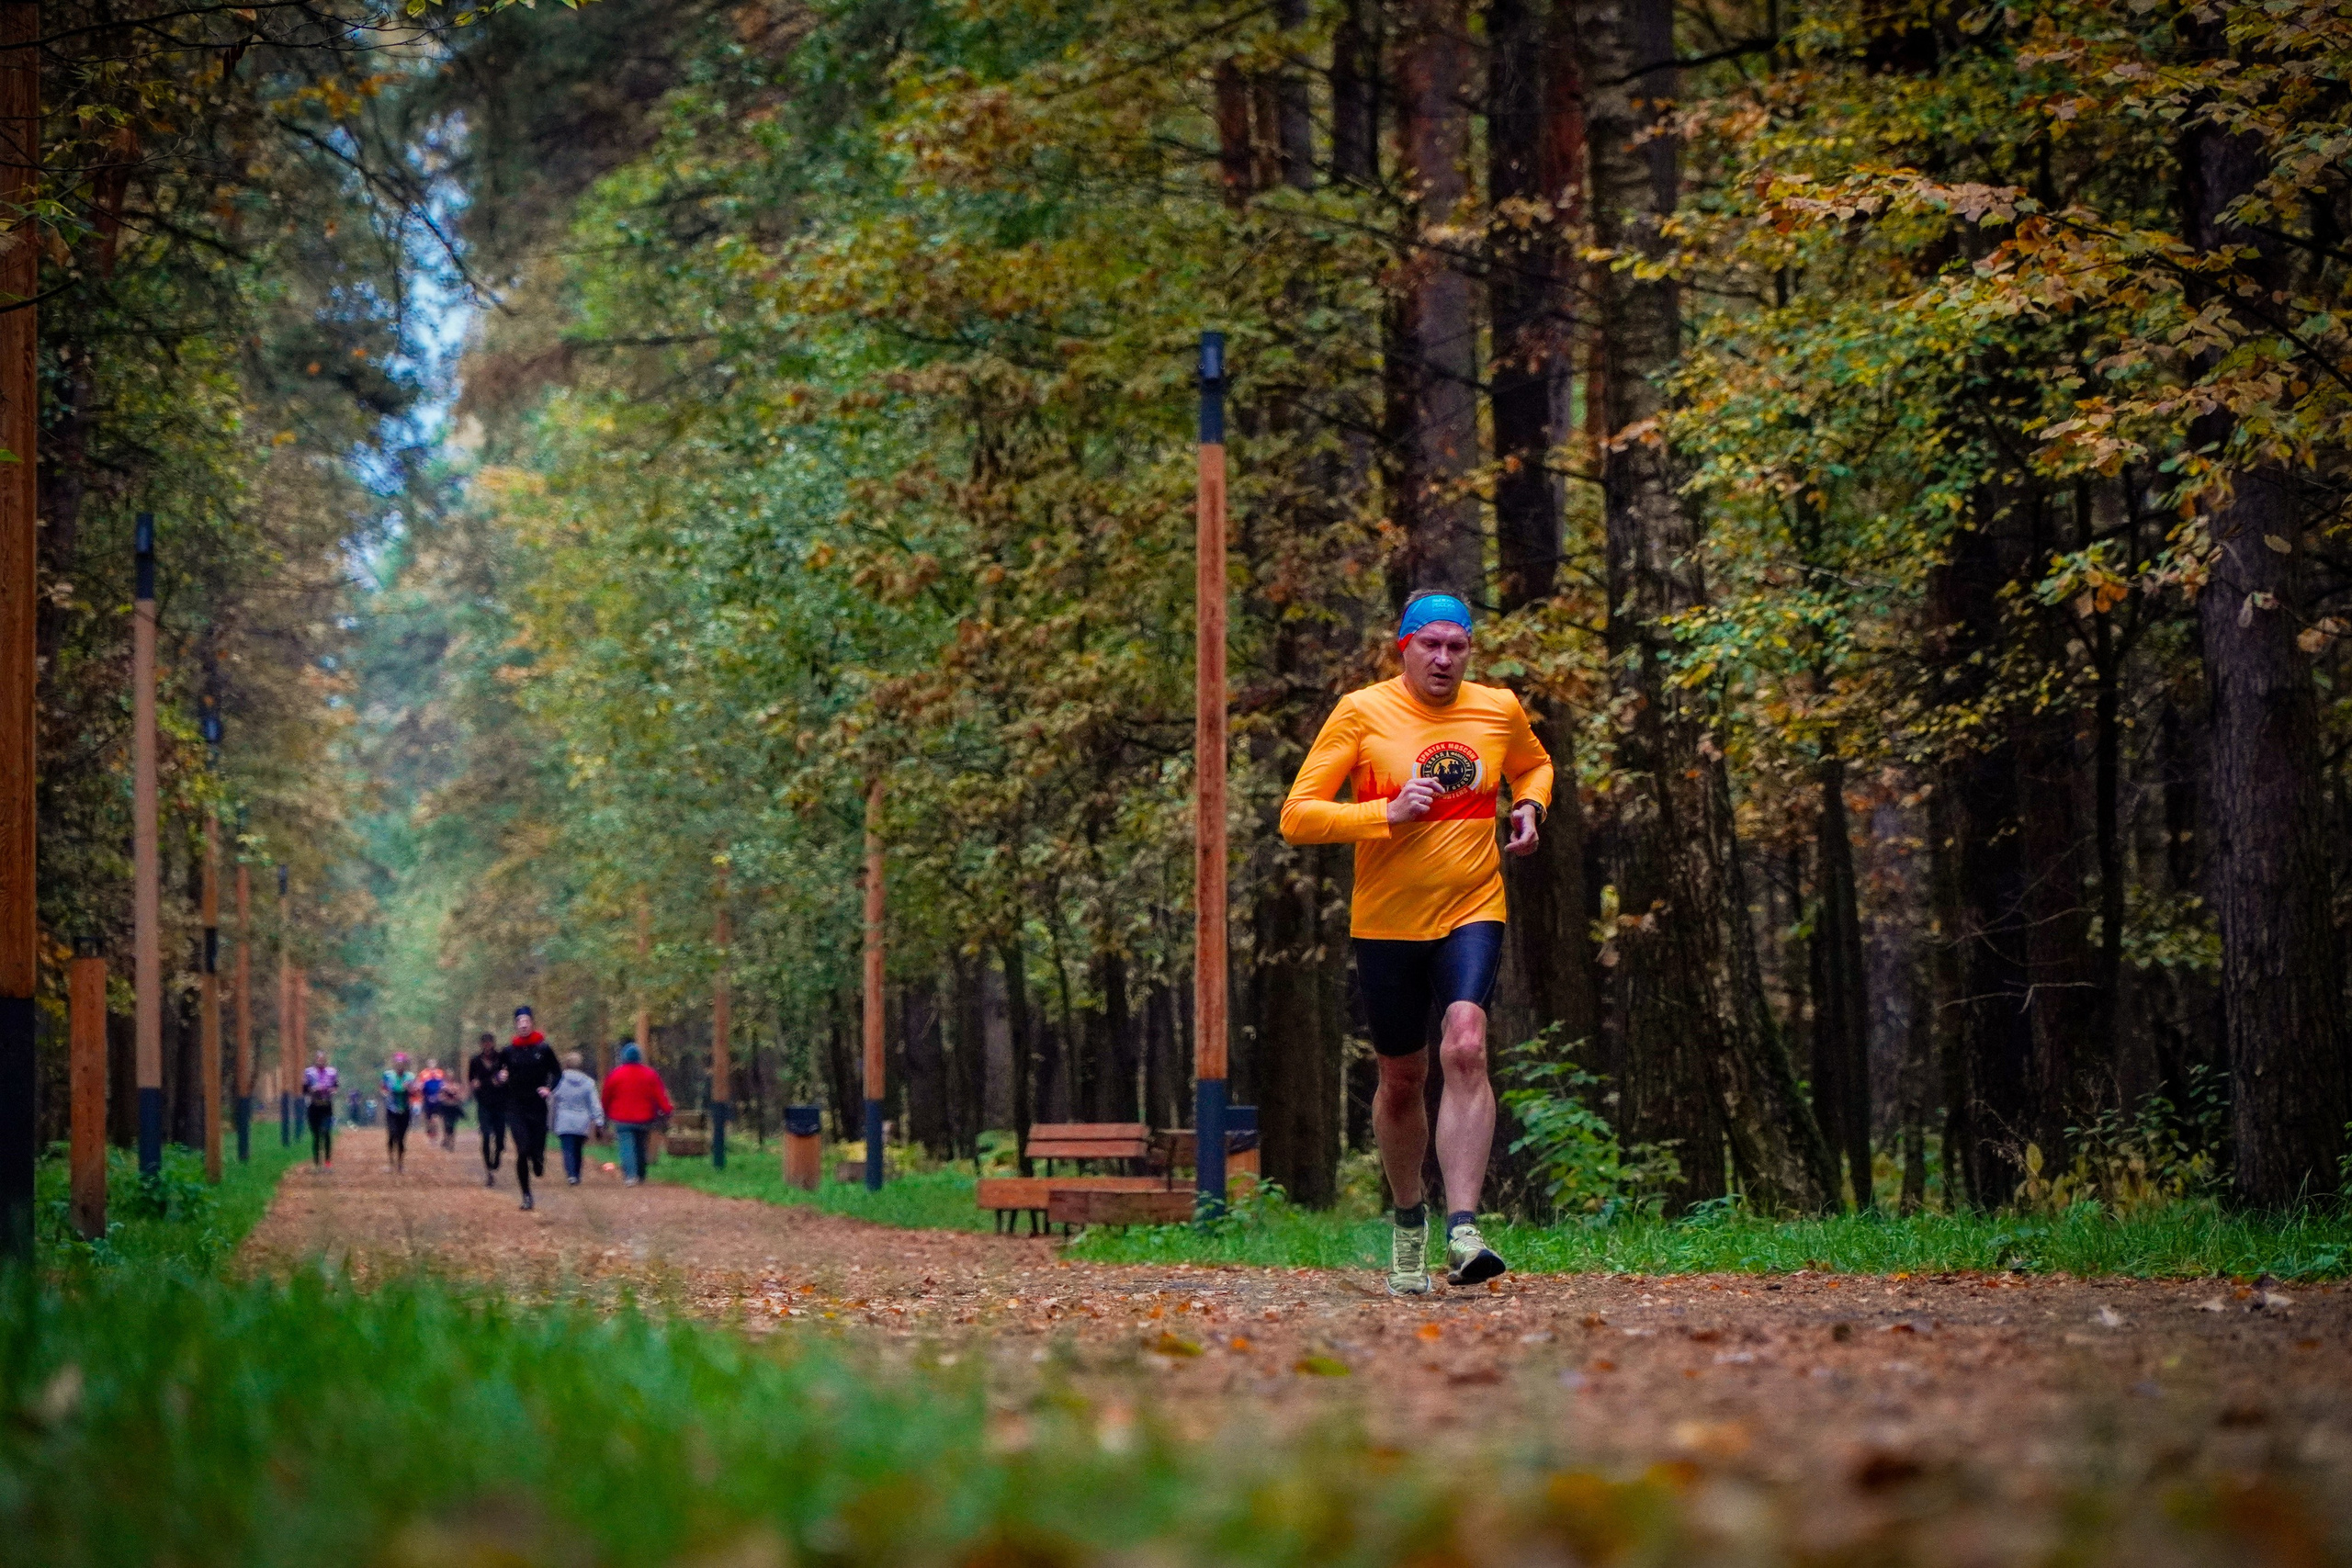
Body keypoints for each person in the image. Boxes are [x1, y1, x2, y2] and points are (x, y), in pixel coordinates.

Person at [1280, 589, 1551, 1295]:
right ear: (1402, 646)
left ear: (1469, 651)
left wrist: (1528, 805)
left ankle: (1465, 1230)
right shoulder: (1361, 712)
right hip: (1387, 920)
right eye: (1429, 644)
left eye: (1456, 646)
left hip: (1472, 904)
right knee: (1402, 1080)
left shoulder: (1498, 707)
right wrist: (1385, 811)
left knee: (1466, 1041)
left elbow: (1533, 762)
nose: (1443, 657)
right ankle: (1409, 1219)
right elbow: (1298, 816)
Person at [499, 1006, 562, 1211]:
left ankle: (539, 1158)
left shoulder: (543, 1049)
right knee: (522, 1150)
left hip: (537, 1105)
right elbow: (498, 1074)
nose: (523, 1024)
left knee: (536, 1149)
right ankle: (526, 1195)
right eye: (519, 1022)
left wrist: (549, 1088)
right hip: (515, 1105)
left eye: (526, 1021)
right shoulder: (508, 1051)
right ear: (516, 1025)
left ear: (532, 1023)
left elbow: (557, 1073)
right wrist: (500, 1077)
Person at [599, 1041, 672, 1186]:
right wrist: (667, 1110)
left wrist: (604, 1111)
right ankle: (641, 1174)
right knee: (640, 1145)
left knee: (626, 1145)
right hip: (645, 1117)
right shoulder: (650, 1074)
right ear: (640, 1057)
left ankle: (630, 1176)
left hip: (621, 1118)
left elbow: (607, 1095)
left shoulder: (616, 1074)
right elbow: (659, 1095)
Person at [550, 1050, 606, 1185]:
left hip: (564, 1120)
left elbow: (552, 1100)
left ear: (566, 1064)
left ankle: (571, 1175)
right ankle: (576, 1173)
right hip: (582, 1120)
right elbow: (594, 1103)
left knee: (567, 1148)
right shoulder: (588, 1083)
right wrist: (599, 1120)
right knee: (578, 1148)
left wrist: (550, 1120)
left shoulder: (559, 1080)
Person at [467, 1032, 507, 1188]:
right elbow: (472, 1079)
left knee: (500, 1136)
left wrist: (500, 1081)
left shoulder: (501, 1058)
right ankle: (489, 1170)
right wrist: (474, 1084)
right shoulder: (475, 1060)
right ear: (481, 1044)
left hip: (500, 1102)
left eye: (490, 1042)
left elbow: (506, 1076)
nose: (487, 1045)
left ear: (493, 1043)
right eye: (484, 1042)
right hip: (483, 1103)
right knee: (485, 1134)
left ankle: (498, 1153)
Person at [381, 1053, 417, 1174]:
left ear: (405, 1065)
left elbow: (414, 1092)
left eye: (402, 1064)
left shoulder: (410, 1077)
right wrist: (386, 1093)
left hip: (405, 1110)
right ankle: (391, 1162)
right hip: (391, 1110)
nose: (400, 1066)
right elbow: (383, 1088)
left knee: (401, 1138)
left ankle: (400, 1163)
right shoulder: (388, 1075)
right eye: (397, 1063)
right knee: (392, 1135)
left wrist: (410, 1089)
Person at [301, 1053, 340, 1168]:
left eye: (322, 1059)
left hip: (327, 1107)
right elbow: (304, 1089)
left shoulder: (332, 1072)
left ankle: (328, 1161)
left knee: (326, 1133)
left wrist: (331, 1090)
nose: (320, 1061)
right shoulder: (309, 1073)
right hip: (313, 1107)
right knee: (316, 1135)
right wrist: (313, 1090)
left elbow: (336, 1087)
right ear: (315, 1060)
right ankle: (317, 1162)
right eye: (318, 1059)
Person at [418, 1057, 450, 1148]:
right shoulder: (424, 1074)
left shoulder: (440, 1073)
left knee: (435, 1119)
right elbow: (420, 1086)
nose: (432, 1066)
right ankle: (430, 1133)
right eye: (430, 1064)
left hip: (437, 1100)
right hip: (427, 1100)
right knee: (428, 1120)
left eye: (433, 1064)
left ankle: (435, 1136)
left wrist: (442, 1094)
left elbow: (443, 1085)